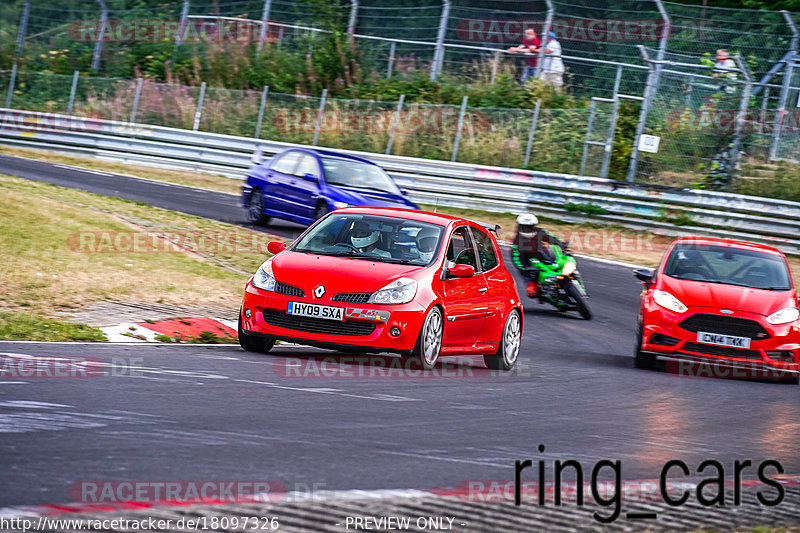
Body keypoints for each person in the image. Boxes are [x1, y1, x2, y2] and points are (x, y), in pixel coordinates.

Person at [511, 213, 565, 297]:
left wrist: (561, 245)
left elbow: (552, 238)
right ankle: (540, 289)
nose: (527, 229)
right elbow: (516, 258)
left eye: (530, 227)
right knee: (532, 291)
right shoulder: (517, 241)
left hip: (540, 255)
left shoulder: (539, 232)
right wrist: (524, 269)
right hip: (526, 262)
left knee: (556, 262)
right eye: (524, 227)